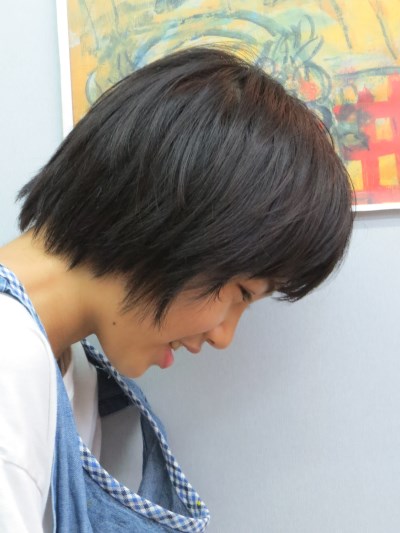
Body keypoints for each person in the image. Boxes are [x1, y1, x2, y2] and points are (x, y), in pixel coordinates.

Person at [0, 47, 353, 532]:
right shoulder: (9, 358)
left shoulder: (66, 362)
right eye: (242, 292)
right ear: (172, 218)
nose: (223, 336)